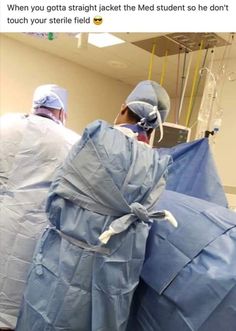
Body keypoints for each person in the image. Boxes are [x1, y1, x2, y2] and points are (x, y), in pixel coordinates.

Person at [16, 80, 177, 331]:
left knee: (46, 316)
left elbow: (57, 195)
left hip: (64, 257)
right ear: (157, 125)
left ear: (124, 108)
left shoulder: (97, 137)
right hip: (114, 268)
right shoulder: (158, 164)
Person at [0, 84, 80, 330]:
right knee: (15, 303)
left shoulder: (6, 124)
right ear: (62, 111)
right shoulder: (73, 142)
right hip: (33, 235)